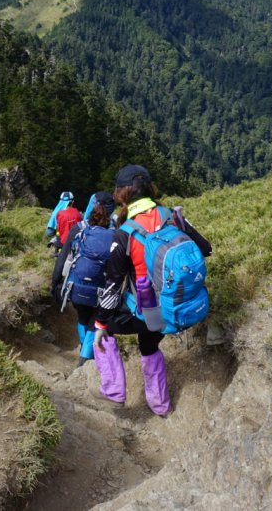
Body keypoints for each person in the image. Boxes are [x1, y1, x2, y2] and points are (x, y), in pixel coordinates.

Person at [92, 164, 212, 416]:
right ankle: (160, 405)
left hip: (145, 311)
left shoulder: (124, 233)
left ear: (121, 193)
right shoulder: (173, 216)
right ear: (149, 188)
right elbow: (205, 248)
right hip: (171, 307)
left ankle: (113, 393)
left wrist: (101, 324)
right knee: (149, 345)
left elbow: (113, 284)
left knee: (104, 331)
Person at [51, 191, 116, 366]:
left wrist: (55, 282)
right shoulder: (118, 233)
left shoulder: (79, 228)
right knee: (93, 321)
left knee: (82, 316)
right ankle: (86, 359)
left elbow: (63, 258)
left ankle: (83, 349)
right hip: (101, 290)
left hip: (76, 286)